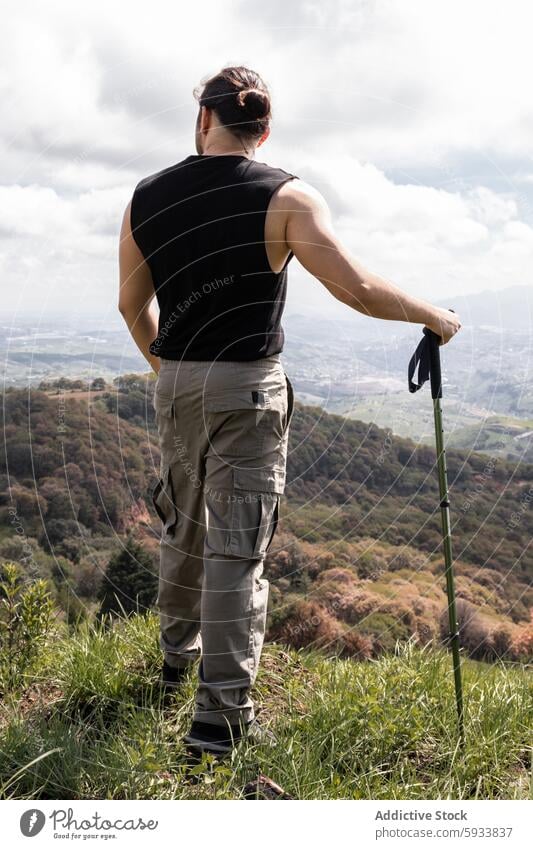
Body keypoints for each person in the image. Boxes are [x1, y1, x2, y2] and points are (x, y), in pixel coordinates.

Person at [118, 64, 461, 757]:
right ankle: (218, 721)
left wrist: (171, 373)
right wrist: (435, 317)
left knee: (182, 523)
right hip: (247, 388)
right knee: (236, 548)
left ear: (204, 121)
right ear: (264, 129)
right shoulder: (286, 196)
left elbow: (131, 305)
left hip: (176, 380)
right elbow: (356, 287)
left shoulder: (146, 196)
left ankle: (173, 661)